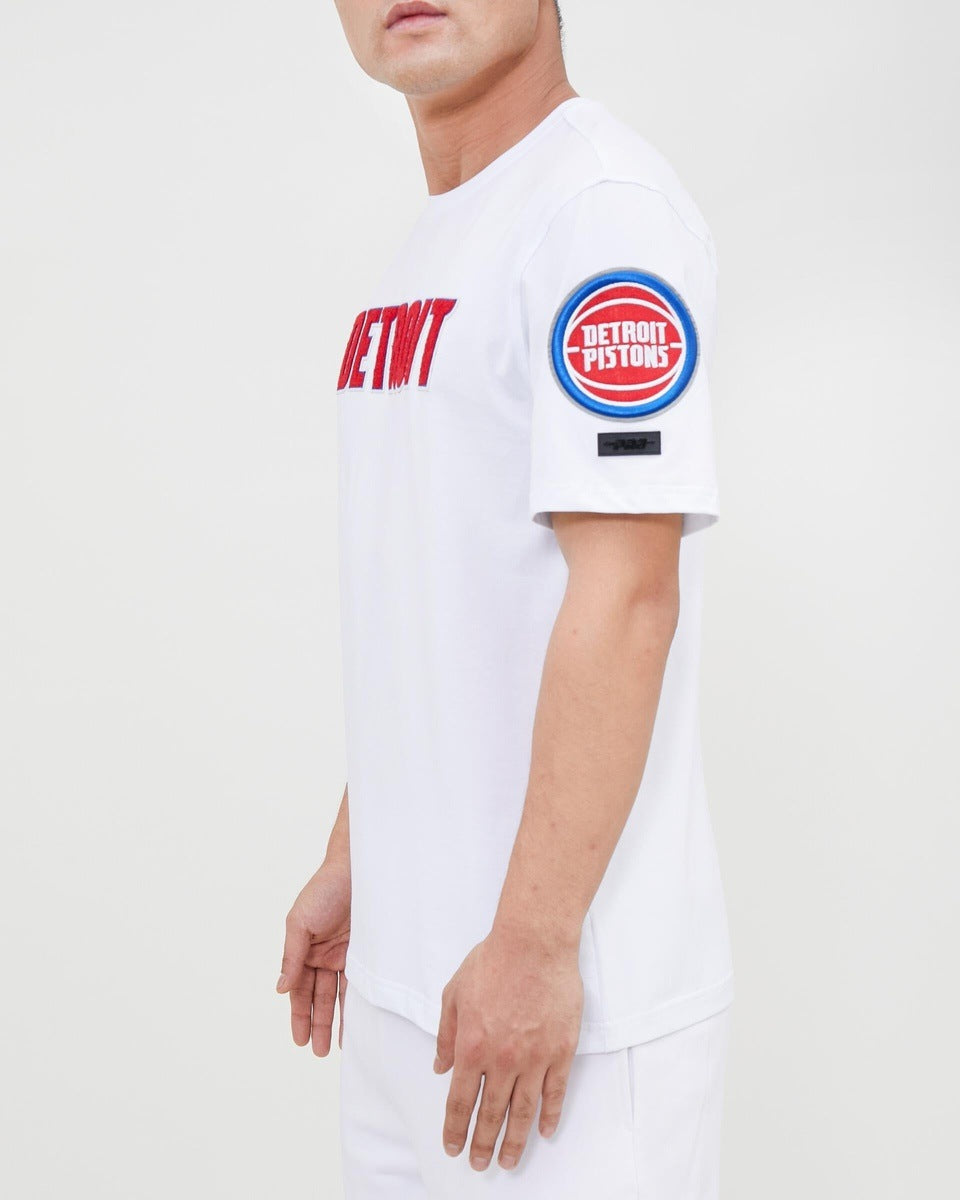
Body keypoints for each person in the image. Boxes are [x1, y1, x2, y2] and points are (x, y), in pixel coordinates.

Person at [278, 2, 734, 1195]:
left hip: (562, 1011)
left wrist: (534, 940)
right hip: (415, 990)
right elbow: (445, 591)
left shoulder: (600, 216)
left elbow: (628, 593)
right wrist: (361, 848)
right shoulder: (444, 235)